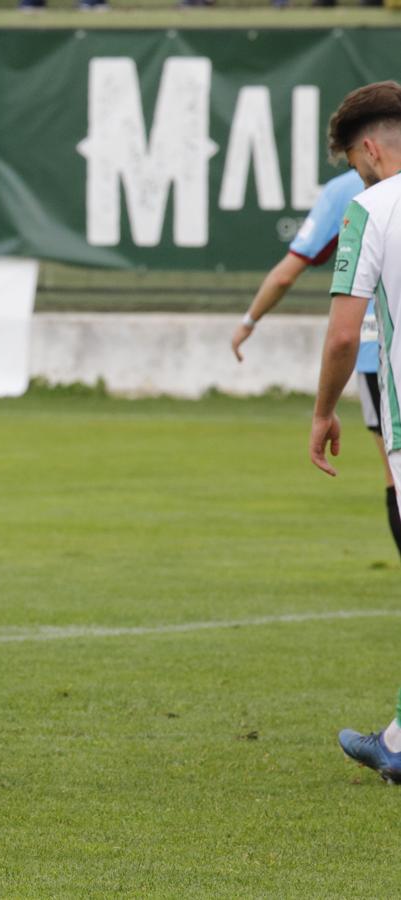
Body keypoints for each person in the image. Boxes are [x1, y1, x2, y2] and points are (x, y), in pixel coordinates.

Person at [305, 80, 401, 783]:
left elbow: (344, 335)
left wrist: (321, 411)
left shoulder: (372, 209)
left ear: (369, 149)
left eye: (354, 162)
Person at [233, 169, 401, 560]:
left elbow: (288, 273)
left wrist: (249, 321)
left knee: (395, 475)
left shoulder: (349, 192)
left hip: (382, 359)